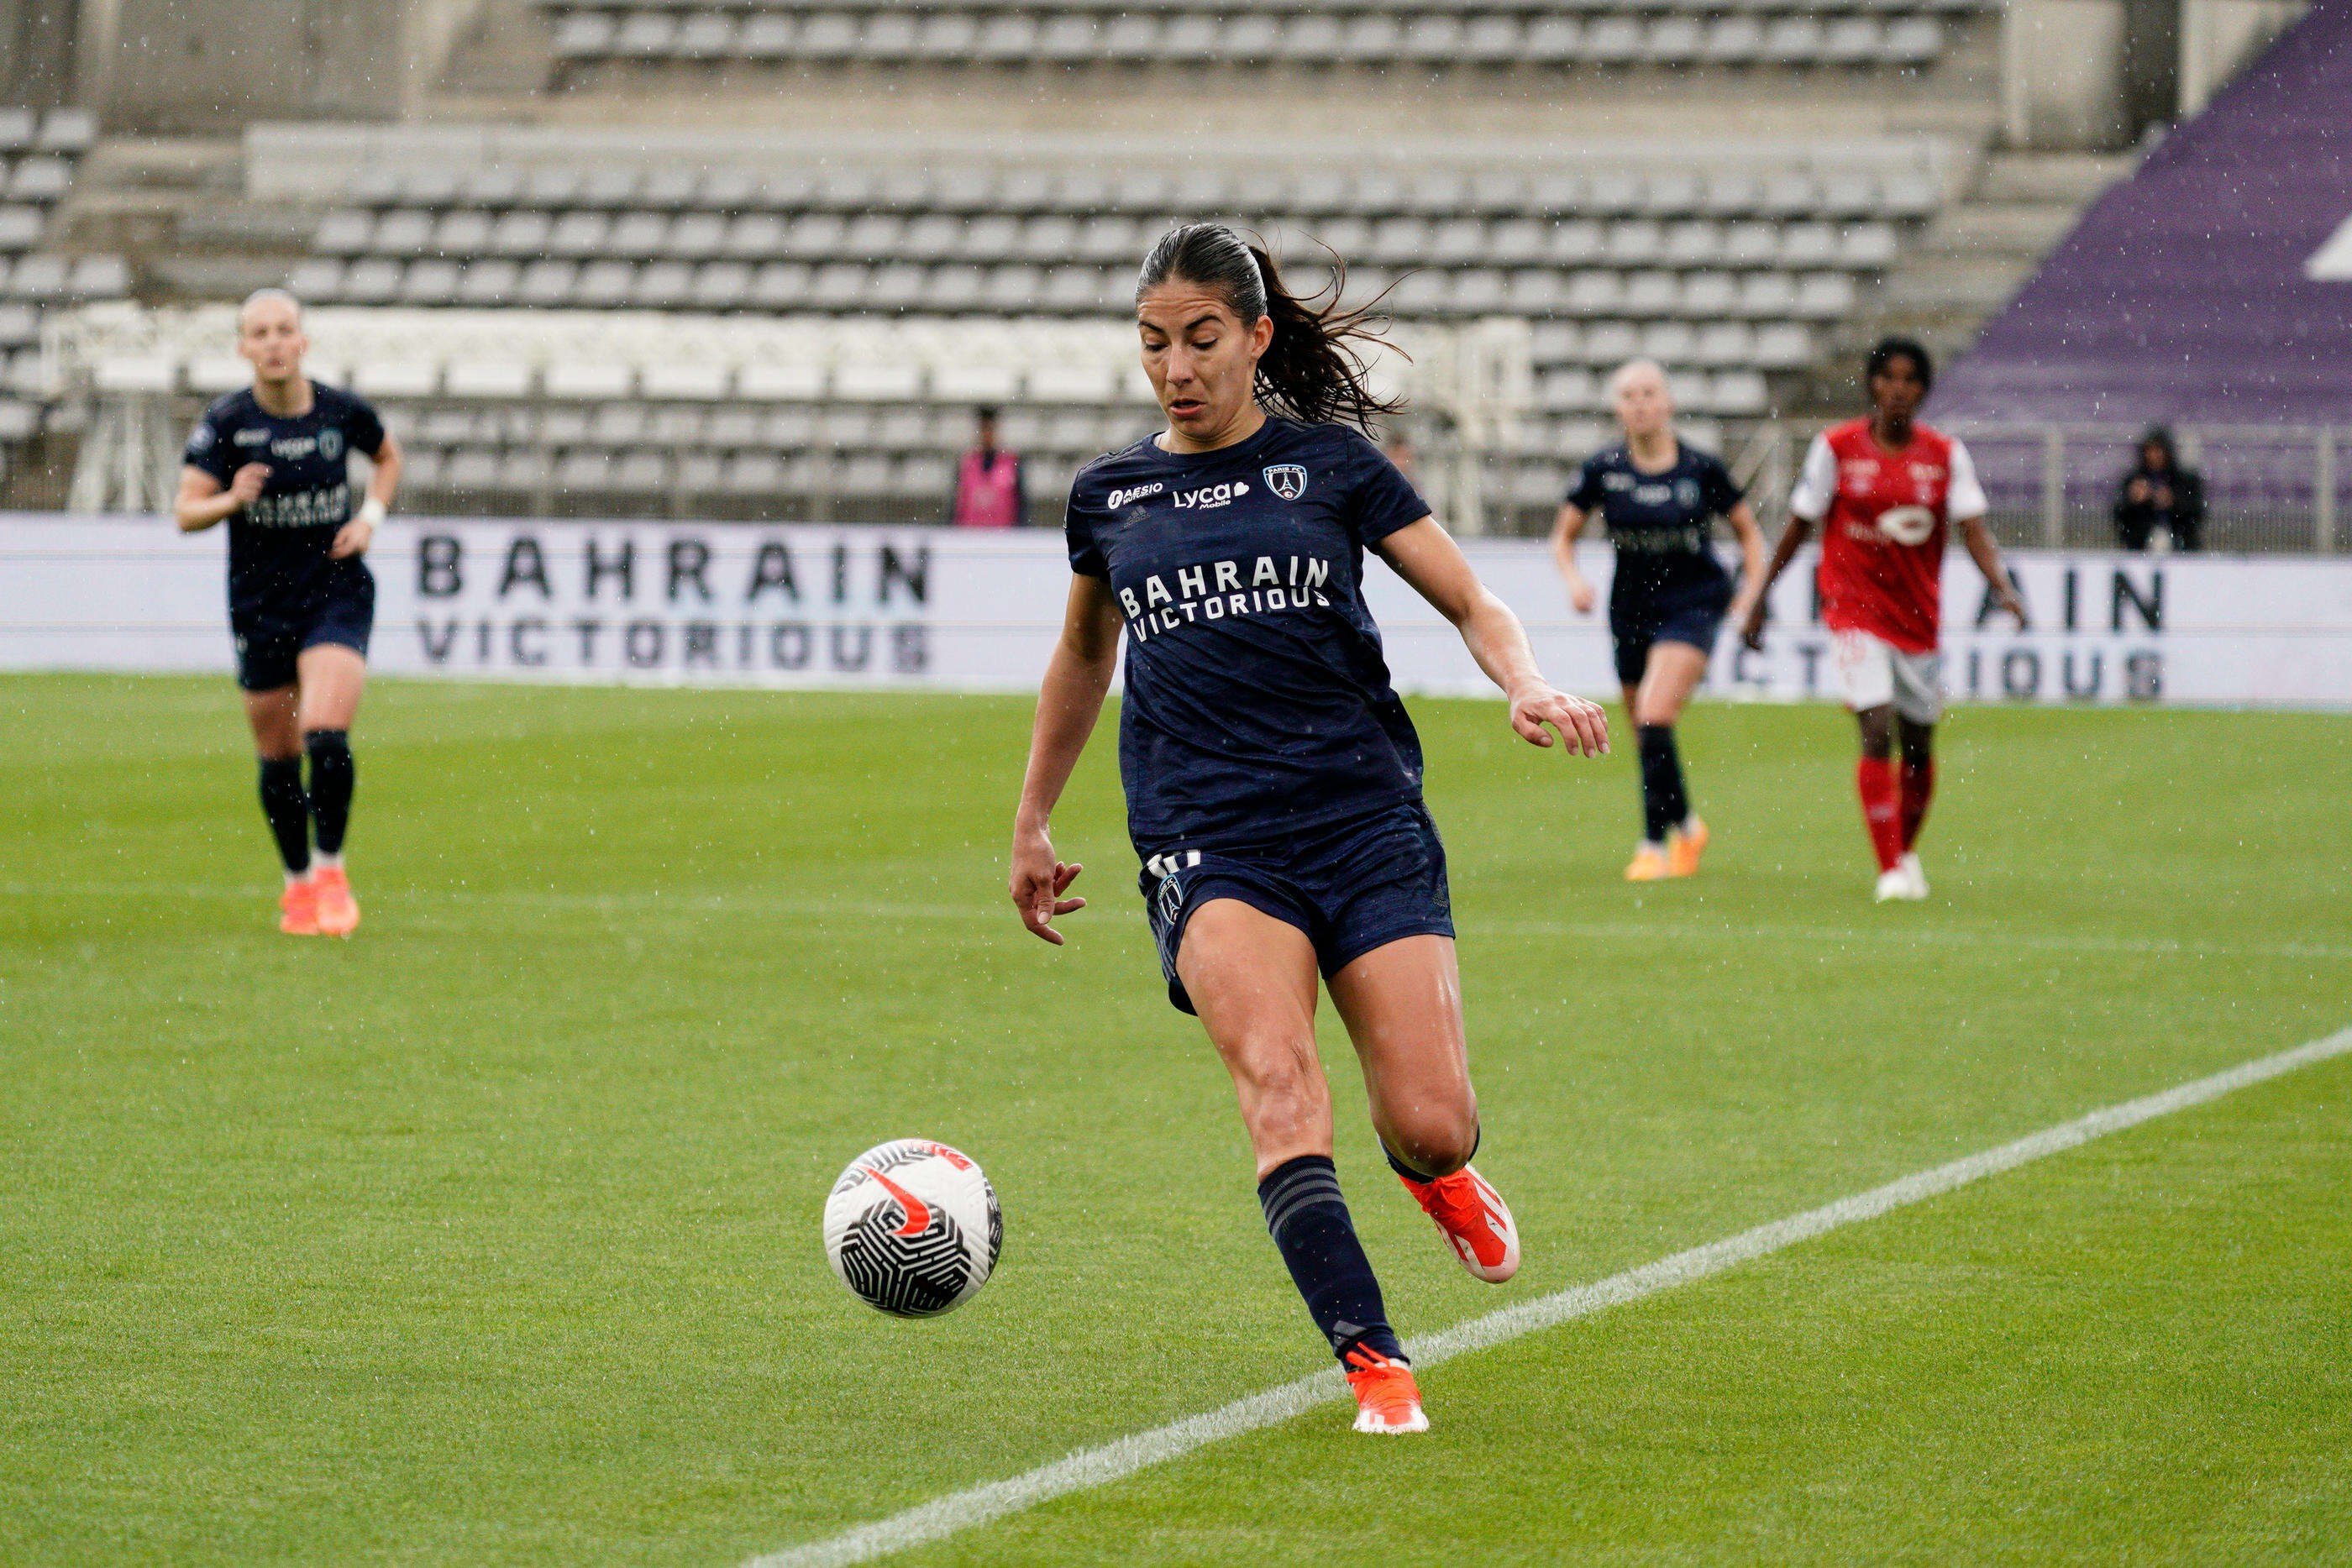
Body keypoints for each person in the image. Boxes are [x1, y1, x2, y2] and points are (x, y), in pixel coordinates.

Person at [1007, 224, 1609, 1435]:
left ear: (1257, 337)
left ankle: (1436, 1173)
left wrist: (1526, 680)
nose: (1175, 366)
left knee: (1430, 1115)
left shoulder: (1330, 466)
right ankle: (1375, 1361)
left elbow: (1469, 598)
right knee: (1279, 1086)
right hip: (1208, 837)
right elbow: (1083, 653)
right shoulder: (1110, 495)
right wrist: (1032, 814)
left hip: (1361, 815)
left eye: (1202, 338)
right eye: (1153, 344)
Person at [1739, 337, 2025, 903]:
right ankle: (1890, 868)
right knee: (1876, 726)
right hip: (1852, 609)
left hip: (1917, 617)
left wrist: (2003, 587)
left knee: (1919, 743)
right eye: (1889, 378)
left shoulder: (1945, 455)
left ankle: (1906, 850)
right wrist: (1761, 595)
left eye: (1910, 379)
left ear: (1921, 390)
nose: (1899, 389)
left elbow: (1974, 531)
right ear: (1873, 384)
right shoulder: (1836, 448)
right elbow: (1799, 524)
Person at [175, 289, 401, 936]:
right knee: (276, 759)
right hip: (260, 602)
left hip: (335, 589)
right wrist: (229, 500)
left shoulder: (339, 410)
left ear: (302, 342)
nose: (273, 342)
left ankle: (332, 869)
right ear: (244, 348)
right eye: (259, 332)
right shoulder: (226, 424)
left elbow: (388, 457)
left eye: (284, 330)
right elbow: (185, 511)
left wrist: (370, 519)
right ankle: (297, 884)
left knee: (324, 736)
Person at [1551, 359, 1767, 880]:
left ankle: (1653, 846)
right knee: (1645, 733)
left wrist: (1749, 594)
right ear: (1619, 409)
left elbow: (1750, 536)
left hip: (1693, 604)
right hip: (1630, 609)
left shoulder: (1701, 468)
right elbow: (1563, 536)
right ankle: (1689, 827)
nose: (1641, 403)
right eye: (1629, 395)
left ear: (1667, 402)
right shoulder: (1605, 469)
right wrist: (1574, 581)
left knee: (1653, 716)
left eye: (1649, 393)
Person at [2112, 427, 2204, 552]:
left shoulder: (2185, 480)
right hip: (2140, 547)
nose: (2154, 456)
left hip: (2181, 548)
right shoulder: (2133, 480)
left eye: (2158, 451)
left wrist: (2174, 501)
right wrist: (2134, 501)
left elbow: (2196, 513)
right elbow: (2119, 514)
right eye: (2150, 451)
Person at [950, 406, 1026, 527]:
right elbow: (956, 506)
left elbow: (1021, 507)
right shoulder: (966, 464)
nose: (987, 435)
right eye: (983, 430)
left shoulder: (1011, 464)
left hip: (1003, 538)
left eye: (990, 430)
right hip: (969, 537)